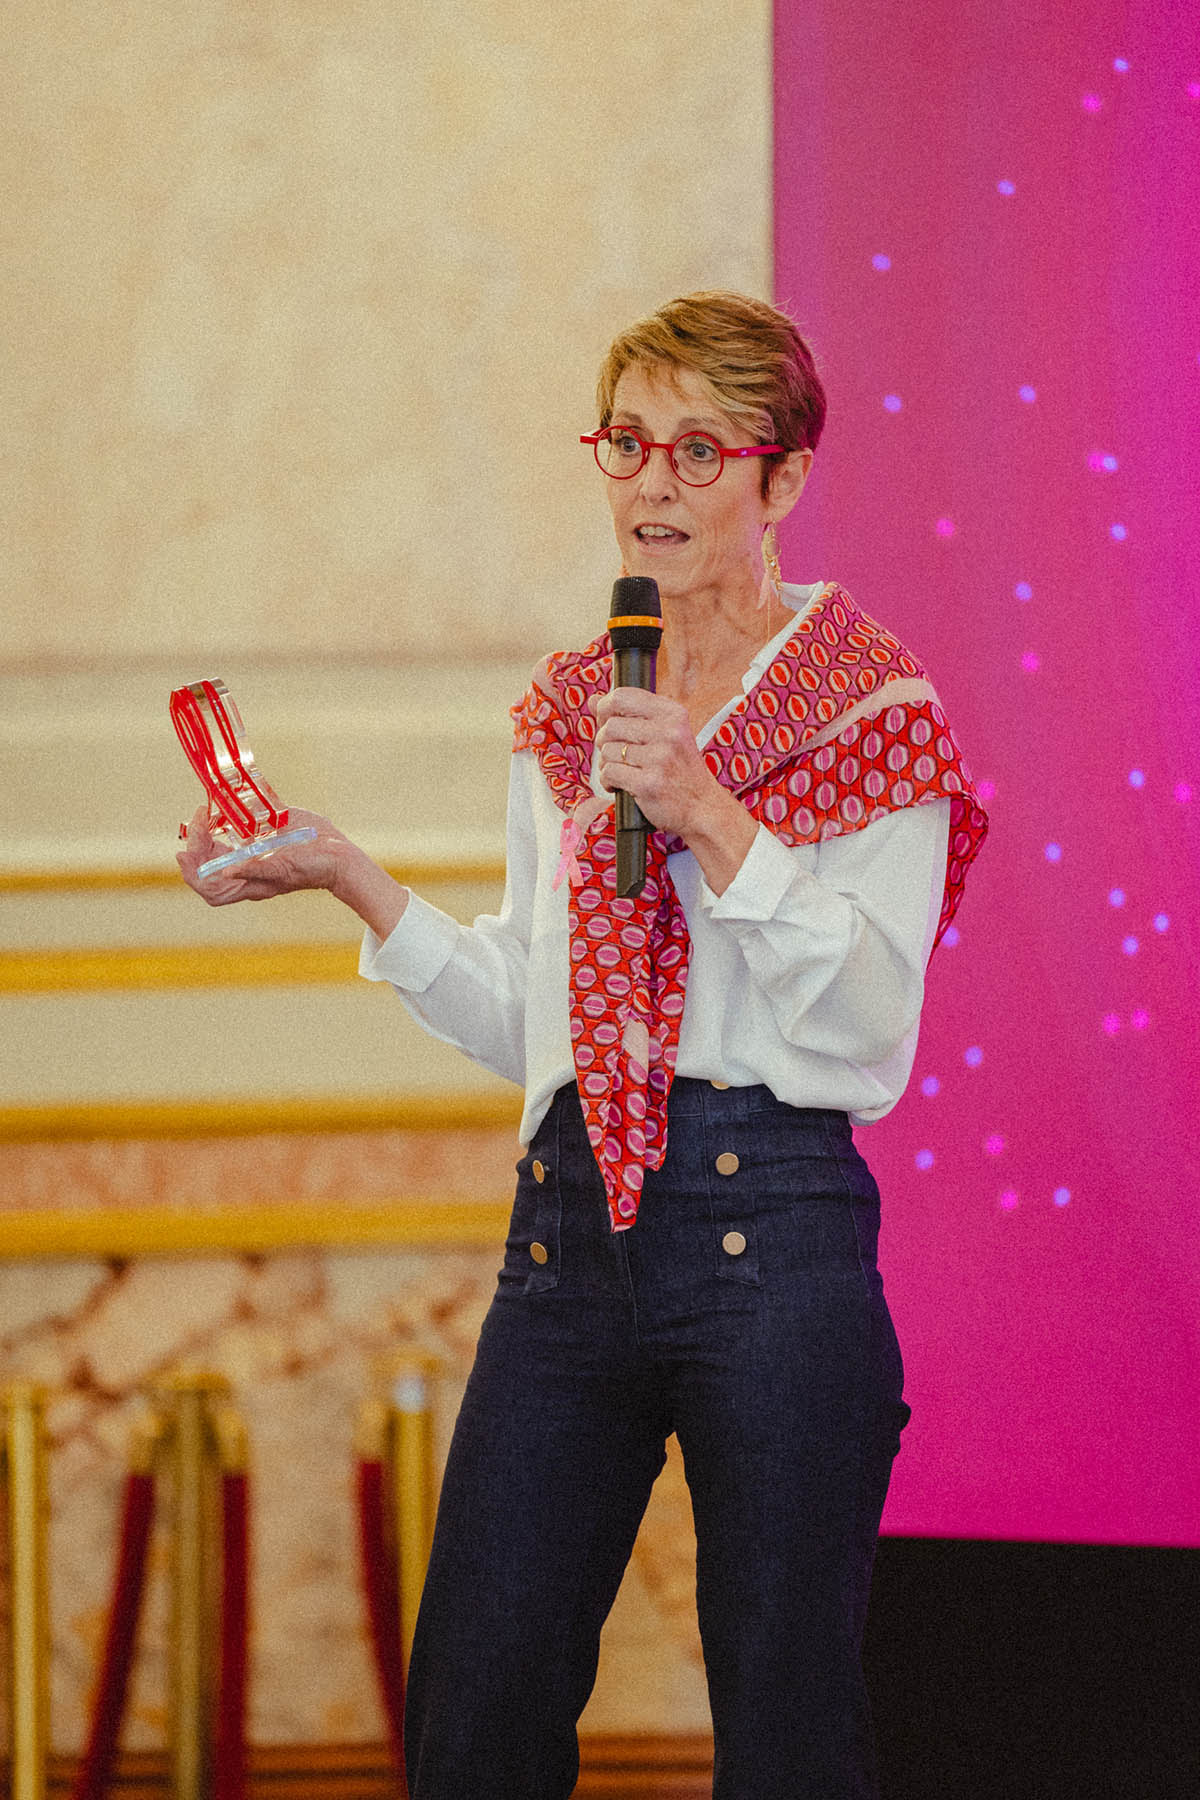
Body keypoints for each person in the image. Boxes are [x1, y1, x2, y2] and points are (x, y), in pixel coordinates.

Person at [179, 289, 987, 1800]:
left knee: (790, 1723)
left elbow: (876, 1022)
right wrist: (351, 876)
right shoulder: (569, 707)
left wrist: (712, 815)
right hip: (565, 1237)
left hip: (776, 1230)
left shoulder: (876, 708)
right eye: (627, 444)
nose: (653, 484)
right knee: (475, 1710)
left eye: (697, 450)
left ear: (783, 479)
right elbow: (536, 1024)